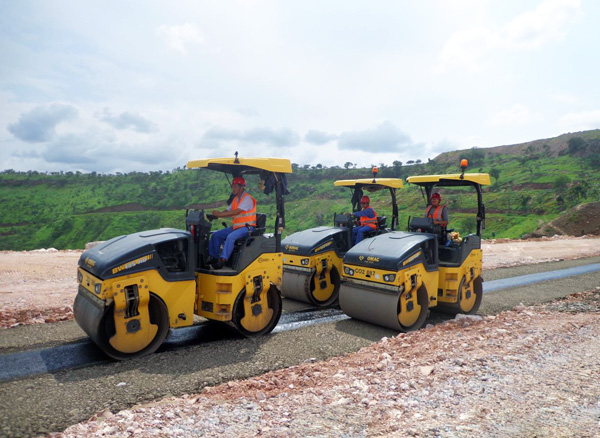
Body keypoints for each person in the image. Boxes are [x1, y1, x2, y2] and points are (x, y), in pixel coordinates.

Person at [208, 176, 256, 269]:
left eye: (235, 186)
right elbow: (228, 210)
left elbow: (236, 212)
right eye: (232, 186)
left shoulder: (247, 198)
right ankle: (213, 258)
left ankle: (223, 260)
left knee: (231, 237)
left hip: (247, 228)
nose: (233, 189)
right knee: (216, 235)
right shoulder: (235, 199)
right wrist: (217, 214)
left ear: (242, 187)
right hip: (236, 227)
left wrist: (220, 215)